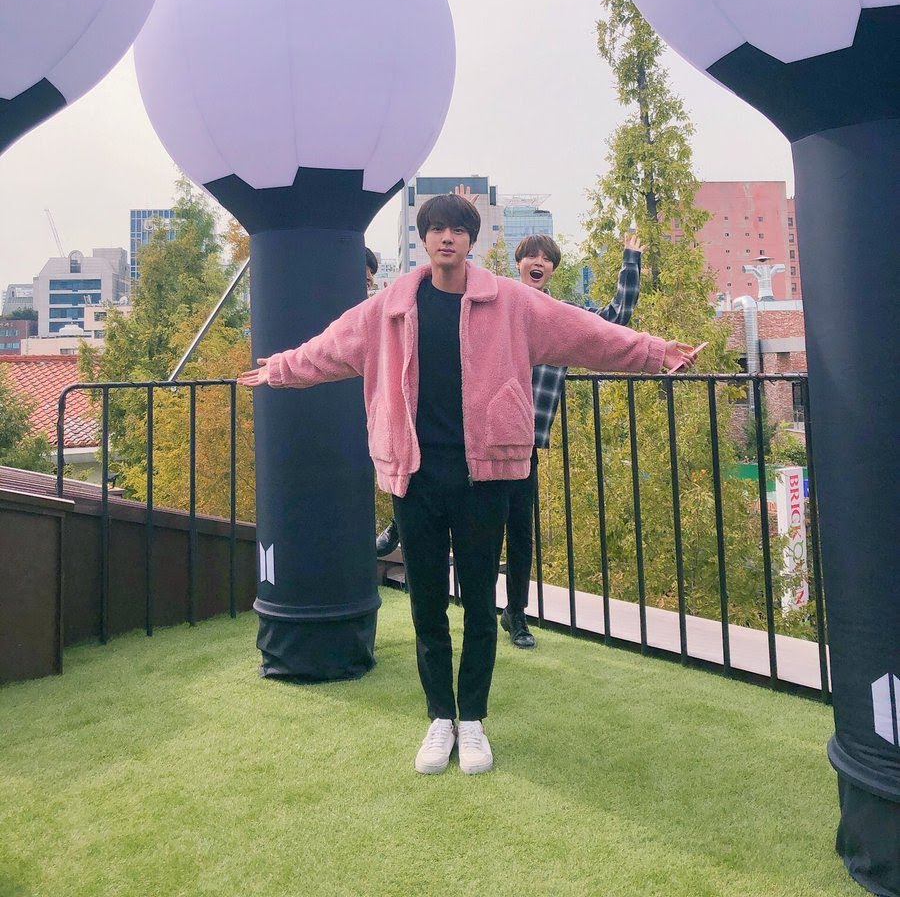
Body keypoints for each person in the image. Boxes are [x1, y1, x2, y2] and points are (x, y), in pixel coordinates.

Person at [239, 194, 695, 776]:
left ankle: (473, 719)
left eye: (457, 229)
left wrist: (655, 352)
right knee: (427, 604)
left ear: (471, 240)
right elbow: (330, 347)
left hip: (487, 473)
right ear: (424, 239)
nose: (447, 237)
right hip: (414, 474)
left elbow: (587, 333)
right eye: (437, 229)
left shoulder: (511, 302)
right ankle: (439, 719)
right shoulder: (390, 307)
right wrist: (279, 369)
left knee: (479, 603)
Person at [500, 232, 643, 649]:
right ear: (519, 264)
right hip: (484, 435)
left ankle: (516, 614)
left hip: (525, 441)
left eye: (545, 258)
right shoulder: (498, 310)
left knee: (520, 530)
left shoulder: (563, 318)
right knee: (478, 526)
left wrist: (630, 260)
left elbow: (613, 320)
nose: (538, 262)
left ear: (552, 269)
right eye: (530, 256)